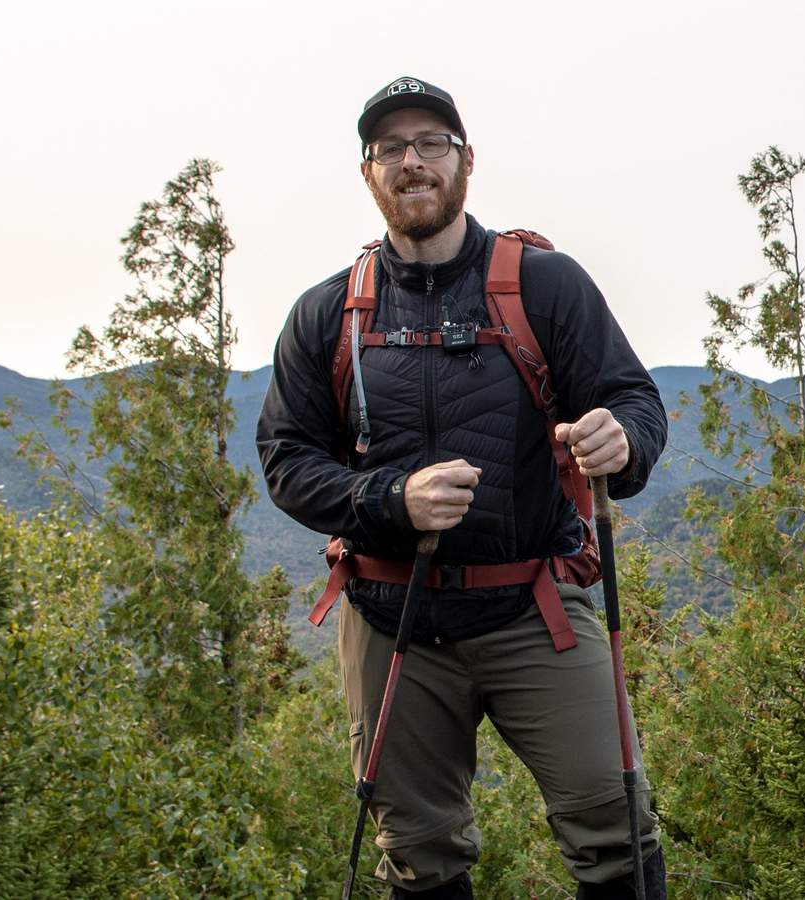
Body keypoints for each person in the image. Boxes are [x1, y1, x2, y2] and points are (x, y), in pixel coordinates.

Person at [257, 76, 668, 899]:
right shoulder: (329, 313)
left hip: (534, 608)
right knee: (418, 852)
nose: (414, 162)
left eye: (432, 144)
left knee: (616, 826)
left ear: (465, 162)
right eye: (392, 150)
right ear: (369, 172)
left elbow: (633, 401)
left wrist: (620, 442)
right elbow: (286, 458)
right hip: (388, 613)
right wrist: (388, 501)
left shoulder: (544, 285)